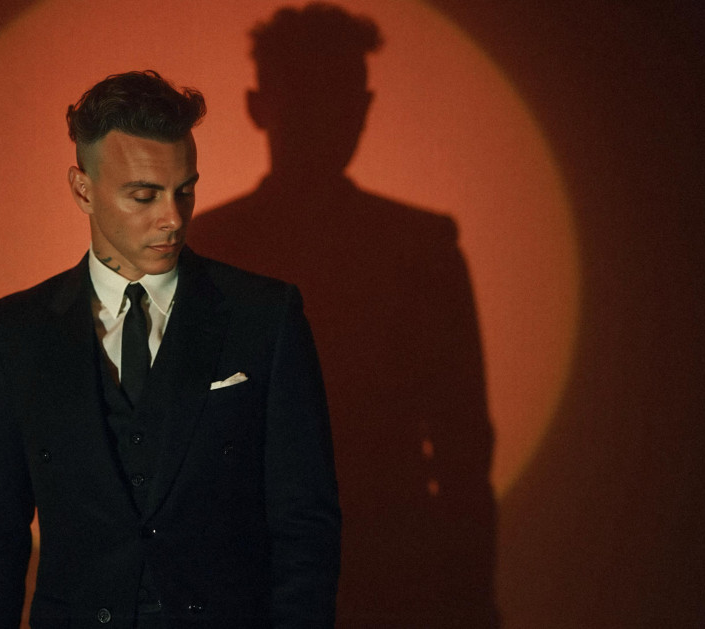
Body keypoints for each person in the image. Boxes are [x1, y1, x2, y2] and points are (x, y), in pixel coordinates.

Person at [0, 70, 340, 629]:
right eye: (144, 195)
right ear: (82, 190)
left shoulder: (266, 315)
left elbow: (305, 521)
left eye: (185, 190)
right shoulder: (16, 331)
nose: (173, 218)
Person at [191, 5, 499, 628]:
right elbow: (463, 447)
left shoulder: (208, 251)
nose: (327, 119)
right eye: (311, 99)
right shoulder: (420, 247)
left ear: (256, 107)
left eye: (336, 99)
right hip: (379, 570)